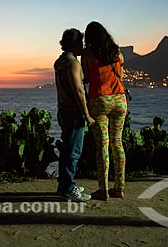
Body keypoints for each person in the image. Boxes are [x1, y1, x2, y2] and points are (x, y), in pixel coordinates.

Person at [81, 21, 128, 201]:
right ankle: (120, 188)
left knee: (102, 146)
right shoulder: (117, 52)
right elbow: (120, 76)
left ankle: (104, 190)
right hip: (120, 99)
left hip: (99, 99)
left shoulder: (87, 53)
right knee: (118, 143)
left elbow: (85, 78)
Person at [54, 28, 95, 202]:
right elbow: (78, 91)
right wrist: (87, 114)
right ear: (76, 44)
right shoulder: (72, 63)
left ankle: (64, 185)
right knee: (73, 151)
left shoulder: (60, 61)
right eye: (81, 43)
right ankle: (69, 189)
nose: (83, 46)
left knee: (67, 150)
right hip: (73, 112)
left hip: (63, 110)